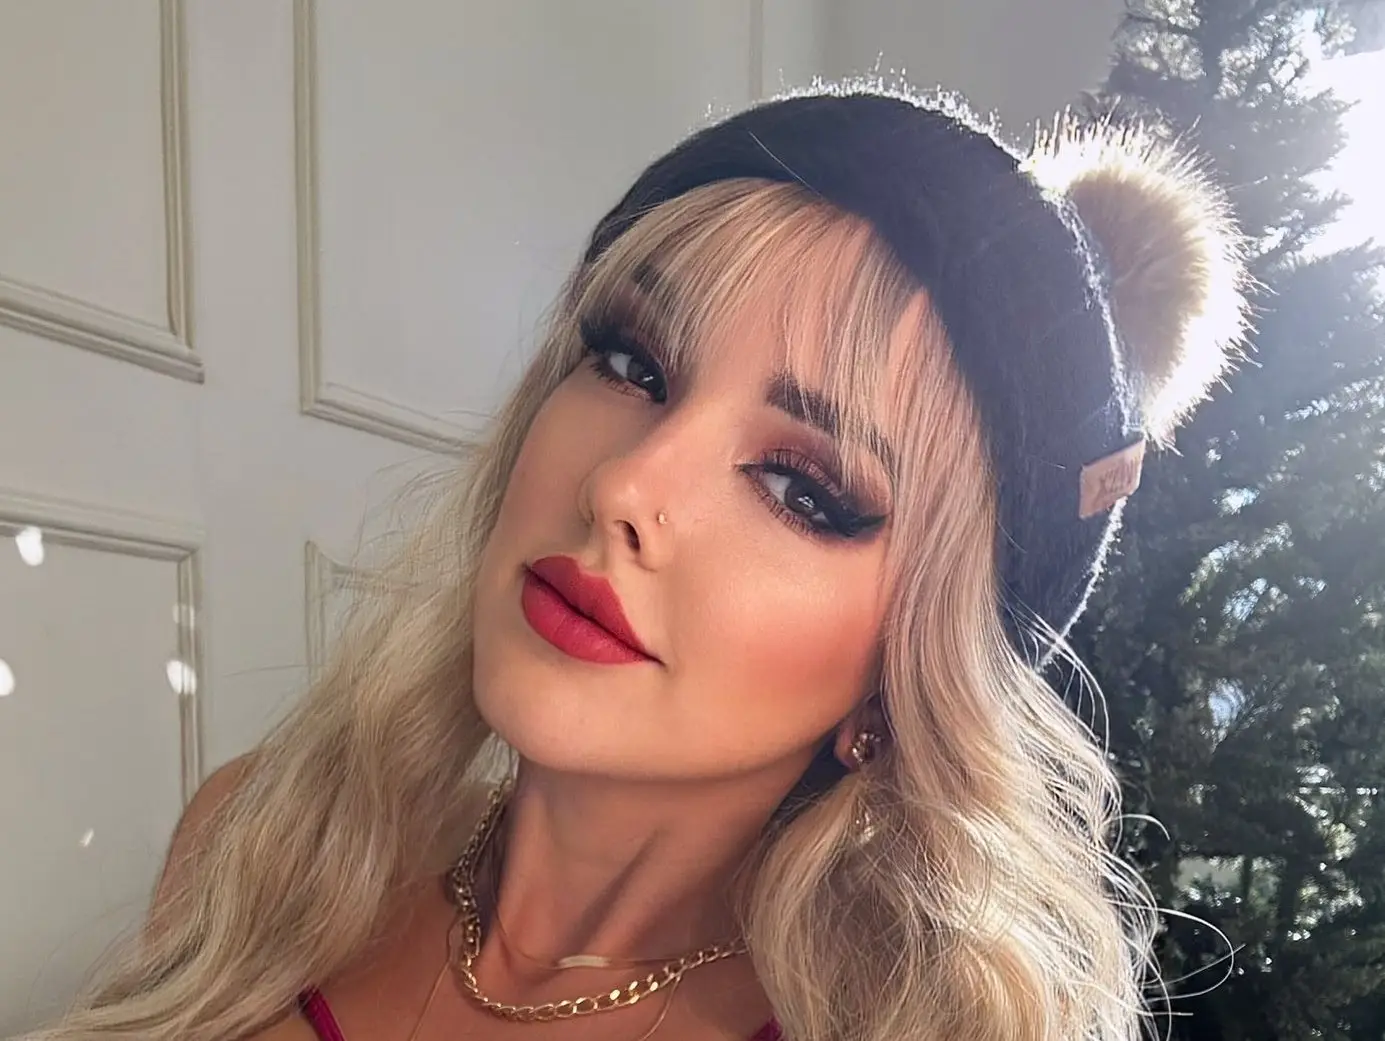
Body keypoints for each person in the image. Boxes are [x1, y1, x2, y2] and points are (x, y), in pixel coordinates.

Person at [22, 82, 1247, 1041]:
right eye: (629, 364)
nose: (622, 487)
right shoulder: (261, 843)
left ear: (906, 669)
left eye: (802, 487)